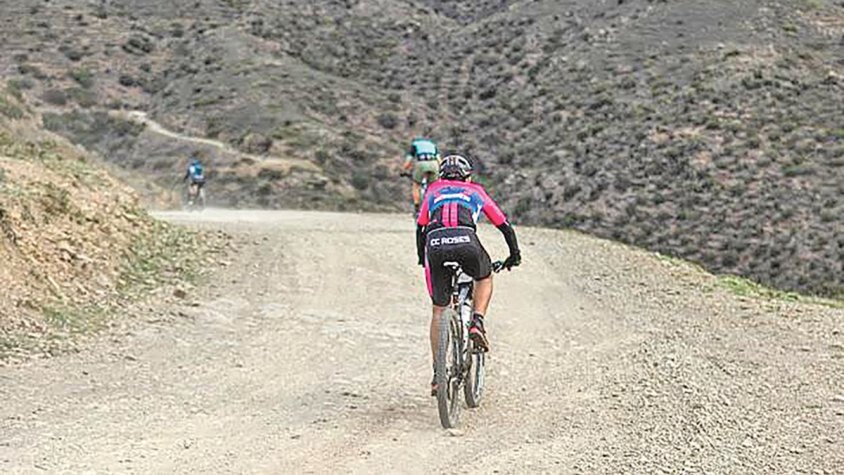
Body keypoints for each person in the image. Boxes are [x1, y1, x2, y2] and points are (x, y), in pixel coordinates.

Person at [416, 154, 521, 395]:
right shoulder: (475, 191)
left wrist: (423, 259)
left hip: (434, 245)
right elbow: (504, 225)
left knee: (438, 310)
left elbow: (421, 227)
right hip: (467, 241)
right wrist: (514, 256)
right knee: (484, 277)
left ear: (441, 177)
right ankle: (477, 322)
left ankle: (437, 374)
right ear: (468, 176)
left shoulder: (433, 191)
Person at [402, 136, 440, 215]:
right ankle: (434, 204)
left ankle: (417, 206)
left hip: (421, 163)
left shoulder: (415, 144)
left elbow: (409, 160)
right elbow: (439, 159)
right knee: (433, 187)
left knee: (416, 185)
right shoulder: (432, 144)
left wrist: (404, 170)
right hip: (434, 164)